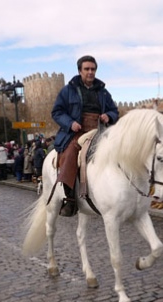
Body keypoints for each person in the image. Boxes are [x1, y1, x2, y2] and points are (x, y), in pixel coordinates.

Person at [51, 55, 119, 217]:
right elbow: (57, 112)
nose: (90, 72)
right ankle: (70, 198)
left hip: (100, 130)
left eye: (93, 69)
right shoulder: (68, 91)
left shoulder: (103, 92)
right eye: (87, 69)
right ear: (80, 71)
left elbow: (114, 111)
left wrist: (108, 116)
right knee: (71, 153)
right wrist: (70, 123)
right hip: (77, 131)